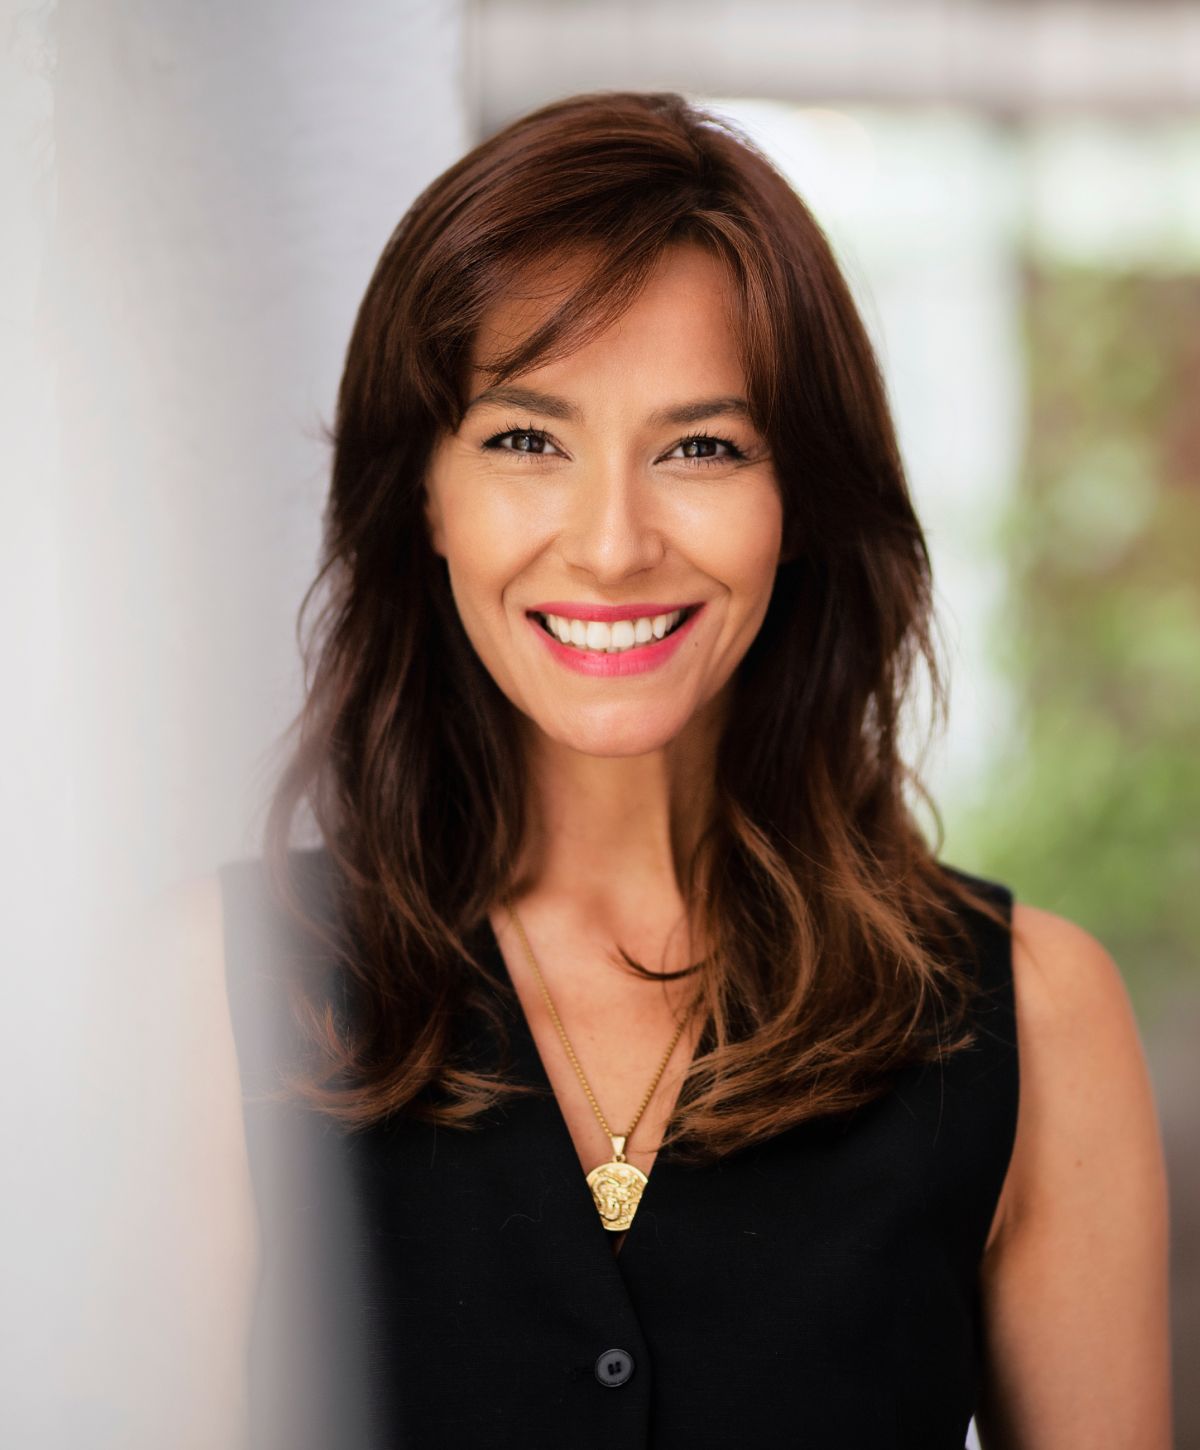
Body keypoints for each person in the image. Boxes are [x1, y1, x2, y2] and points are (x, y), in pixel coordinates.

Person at [168, 91, 1170, 1448]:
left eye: (700, 446)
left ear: (800, 498)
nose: (612, 542)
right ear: (425, 495)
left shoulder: (1038, 1019)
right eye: (528, 439)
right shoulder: (210, 997)